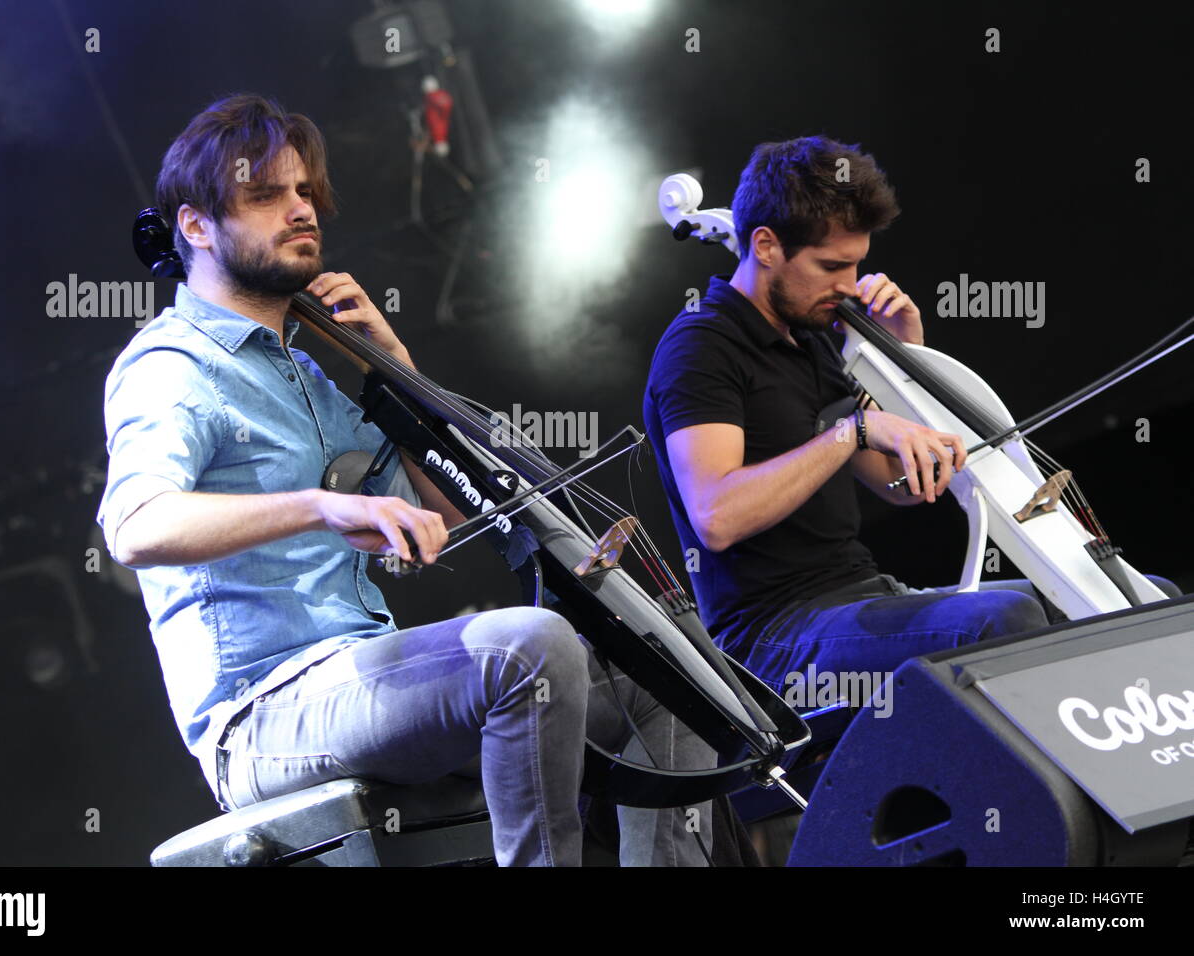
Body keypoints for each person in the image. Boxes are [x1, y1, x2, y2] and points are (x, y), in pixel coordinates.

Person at [97, 93, 716, 866]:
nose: (300, 211)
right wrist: (318, 505)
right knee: (529, 646)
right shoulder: (172, 366)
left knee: (668, 668)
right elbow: (134, 528)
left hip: (363, 678)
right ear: (195, 226)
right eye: (265, 196)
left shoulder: (316, 373)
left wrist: (398, 372)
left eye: (304, 193)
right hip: (263, 716)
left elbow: (454, 516)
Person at [642, 135, 1179, 698]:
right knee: (1005, 621)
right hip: (771, 637)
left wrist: (905, 361)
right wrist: (853, 432)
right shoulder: (701, 345)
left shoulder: (814, 337)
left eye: (856, 266)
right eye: (831, 266)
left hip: (865, 592)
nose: (848, 287)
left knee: (1136, 598)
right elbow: (716, 515)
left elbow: (902, 487)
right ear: (767, 245)